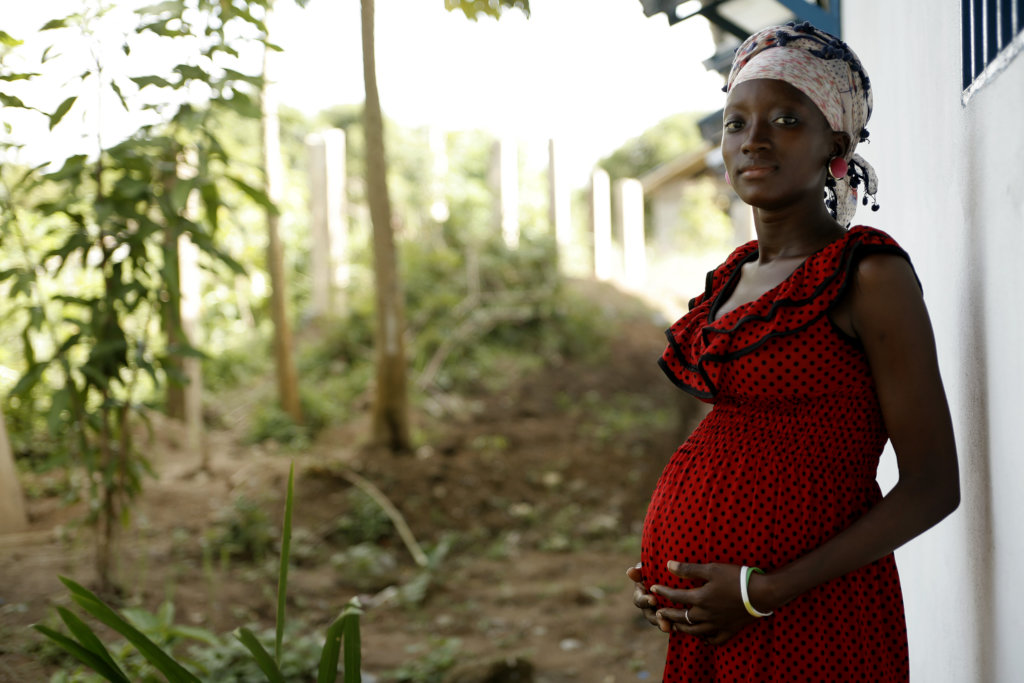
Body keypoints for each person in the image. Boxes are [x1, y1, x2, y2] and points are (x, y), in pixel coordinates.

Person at [626, 22, 960, 682]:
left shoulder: (867, 273)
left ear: (833, 144)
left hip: (814, 614)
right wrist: (666, 574)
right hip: (712, 618)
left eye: (785, 118)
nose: (753, 138)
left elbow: (932, 486)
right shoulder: (734, 277)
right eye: (735, 122)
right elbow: (736, 432)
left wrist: (762, 590)